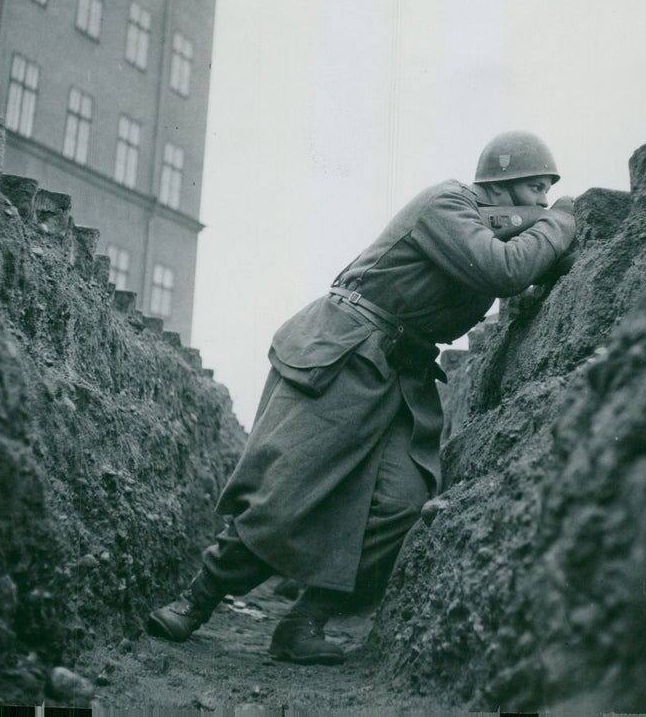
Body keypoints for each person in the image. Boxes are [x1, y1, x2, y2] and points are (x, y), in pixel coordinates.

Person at [147, 131, 576, 664]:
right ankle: (196, 601)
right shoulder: (448, 203)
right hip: (347, 350)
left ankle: (305, 621)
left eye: (548, 192)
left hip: (404, 371)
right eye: (536, 188)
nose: (542, 200)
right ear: (501, 186)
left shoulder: (496, 229)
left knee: (402, 504)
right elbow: (504, 270)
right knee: (287, 490)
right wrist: (561, 221)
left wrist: (553, 243)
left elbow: (525, 264)